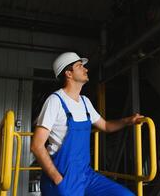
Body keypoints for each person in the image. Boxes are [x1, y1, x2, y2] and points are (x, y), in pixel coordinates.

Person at [31, 52, 143, 196]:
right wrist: (58, 179)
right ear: (68, 74)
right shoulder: (55, 101)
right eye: (80, 66)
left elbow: (106, 126)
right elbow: (36, 146)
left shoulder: (85, 102)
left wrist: (128, 121)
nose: (86, 69)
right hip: (63, 176)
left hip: (85, 174)